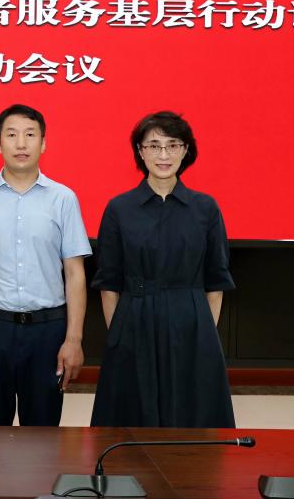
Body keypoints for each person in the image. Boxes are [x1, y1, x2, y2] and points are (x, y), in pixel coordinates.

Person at [90, 111, 236, 428]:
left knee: (191, 416)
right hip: (134, 320)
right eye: (154, 146)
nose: (164, 155)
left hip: (191, 322)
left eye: (173, 145)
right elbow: (109, 283)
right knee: (132, 416)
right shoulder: (119, 208)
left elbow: (215, 281)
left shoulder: (205, 208)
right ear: (140, 152)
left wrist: (203, 333)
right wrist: (120, 336)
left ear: (186, 151)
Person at [0, 104, 91, 426]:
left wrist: (74, 339)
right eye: (12, 135)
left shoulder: (64, 199)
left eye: (30, 135)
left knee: (43, 433)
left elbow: (74, 273)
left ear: (44, 143)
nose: (21, 144)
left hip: (47, 332)